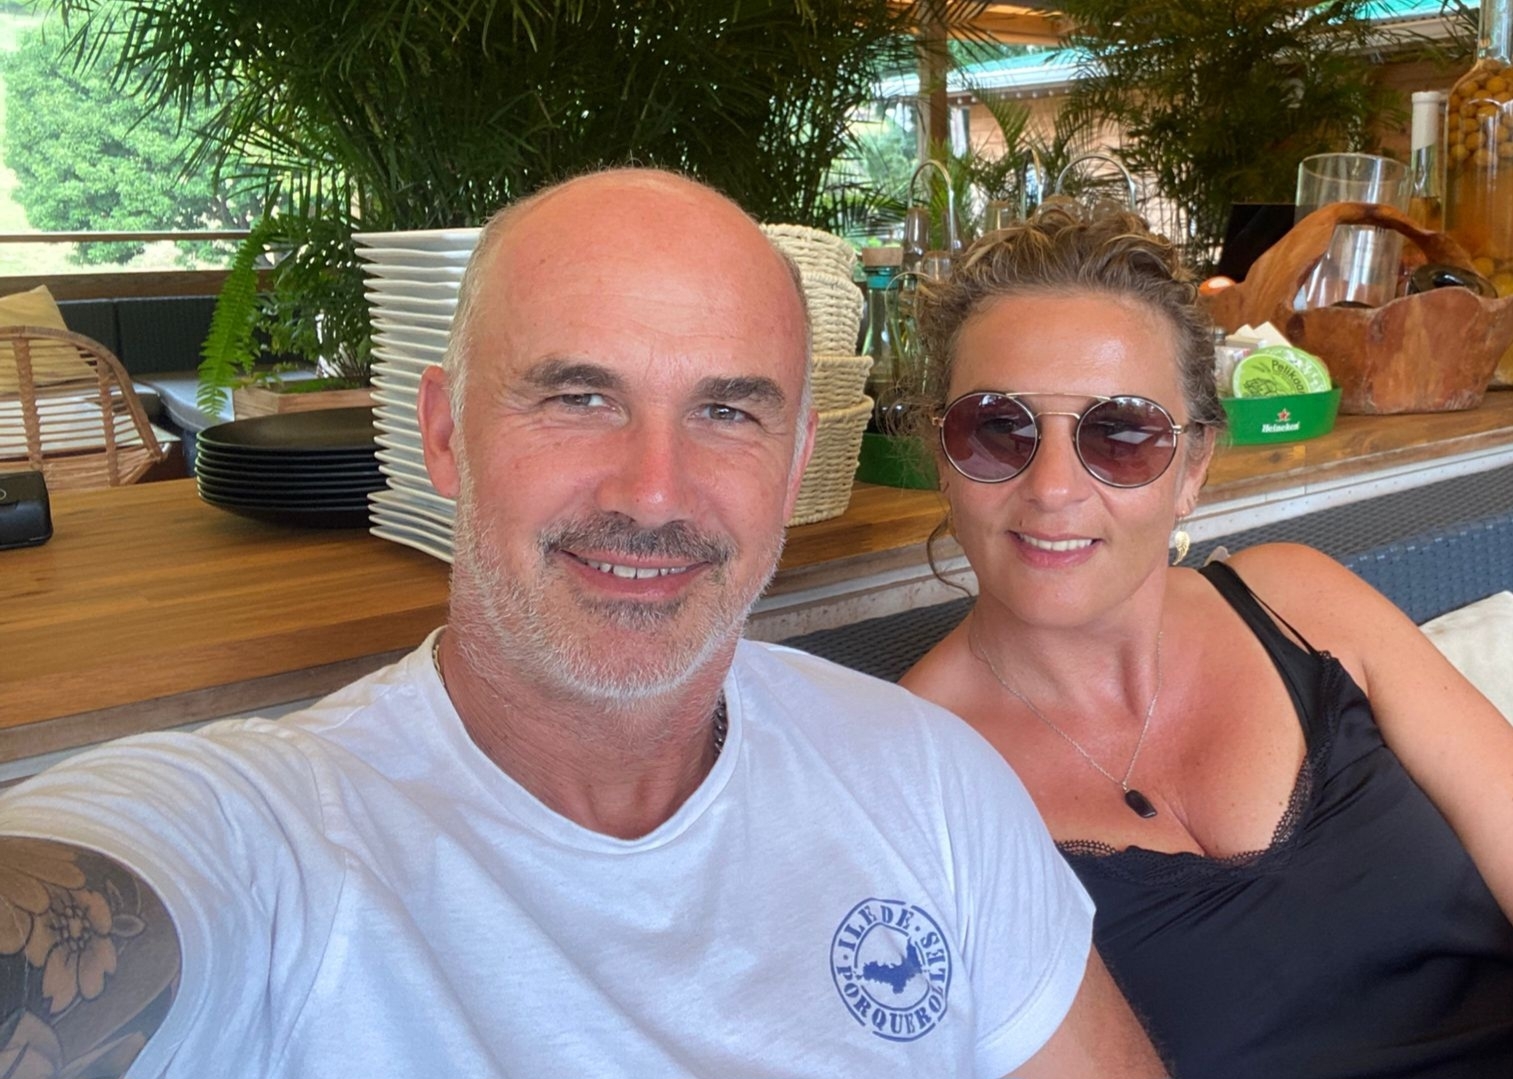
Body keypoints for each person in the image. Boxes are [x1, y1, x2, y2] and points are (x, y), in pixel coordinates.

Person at [0, 170, 1163, 1078]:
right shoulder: (276, 840)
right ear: (444, 434)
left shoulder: (925, 779)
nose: (652, 491)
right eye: (578, 395)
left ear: (796, 461)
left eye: (727, 410)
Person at [899, 199, 1513, 1078]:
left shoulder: (1300, 602)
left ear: (1192, 467)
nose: (1054, 488)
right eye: (998, 428)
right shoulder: (909, 774)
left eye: (1121, 433)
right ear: (941, 455)